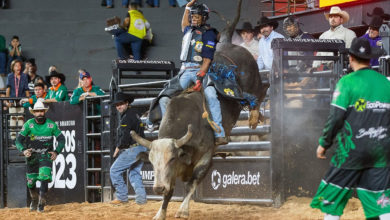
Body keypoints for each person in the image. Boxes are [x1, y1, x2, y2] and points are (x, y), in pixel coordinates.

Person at [310, 37, 390, 220]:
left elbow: (336, 117)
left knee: (332, 200)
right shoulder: (387, 84)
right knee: (382, 201)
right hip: (381, 151)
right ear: (370, 59)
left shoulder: (347, 82)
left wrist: (324, 143)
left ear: (351, 58)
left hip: (351, 151)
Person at [156, 0, 227, 146]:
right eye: (192, 16)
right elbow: (183, 23)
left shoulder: (209, 33)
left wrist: (201, 75)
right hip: (184, 71)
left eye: (197, 16)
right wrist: (187, 7)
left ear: (204, 17)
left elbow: (207, 59)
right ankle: (166, 132)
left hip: (198, 69)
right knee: (163, 98)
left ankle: (219, 133)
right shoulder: (188, 30)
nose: (193, 18)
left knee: (211, 96)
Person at [15, 101, 65, 212]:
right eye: (37, 111)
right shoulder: (28, 124)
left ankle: (41, 202)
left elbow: (61, 139)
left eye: (41, 111)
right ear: (33, 113)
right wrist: (23, 150)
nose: (39, 113)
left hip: (46, 155)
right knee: (31, 182)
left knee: (44, 177)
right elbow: (18, 140)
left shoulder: (51, 125)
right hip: (32, 157)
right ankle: (34, 198)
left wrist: (56, 152)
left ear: (44, 112)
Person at [110, 92, 148, 205]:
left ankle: (121, 197)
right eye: (117, 105)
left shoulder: (127, 117)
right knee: (134, 173)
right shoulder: (134, 113)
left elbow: (125, 135)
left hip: (133, 148)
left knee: (114, 171)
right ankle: (141, 199)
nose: (118, 107)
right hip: (142, 147)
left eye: (121, 104)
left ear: (127, 103)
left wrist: (118, 147)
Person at [5, 59, 30, 140]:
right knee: (12, 119)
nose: (18, 67)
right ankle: (13, 139)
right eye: (16, 66)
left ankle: (20, 139)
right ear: (13, 67)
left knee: (21, 120)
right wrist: (7, 101)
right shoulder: (10, 76)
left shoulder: (24, 76)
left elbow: (26, 89)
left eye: (19, 65)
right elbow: (8, 89)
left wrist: (28, 100)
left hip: (21, 101)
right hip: (12, 101)